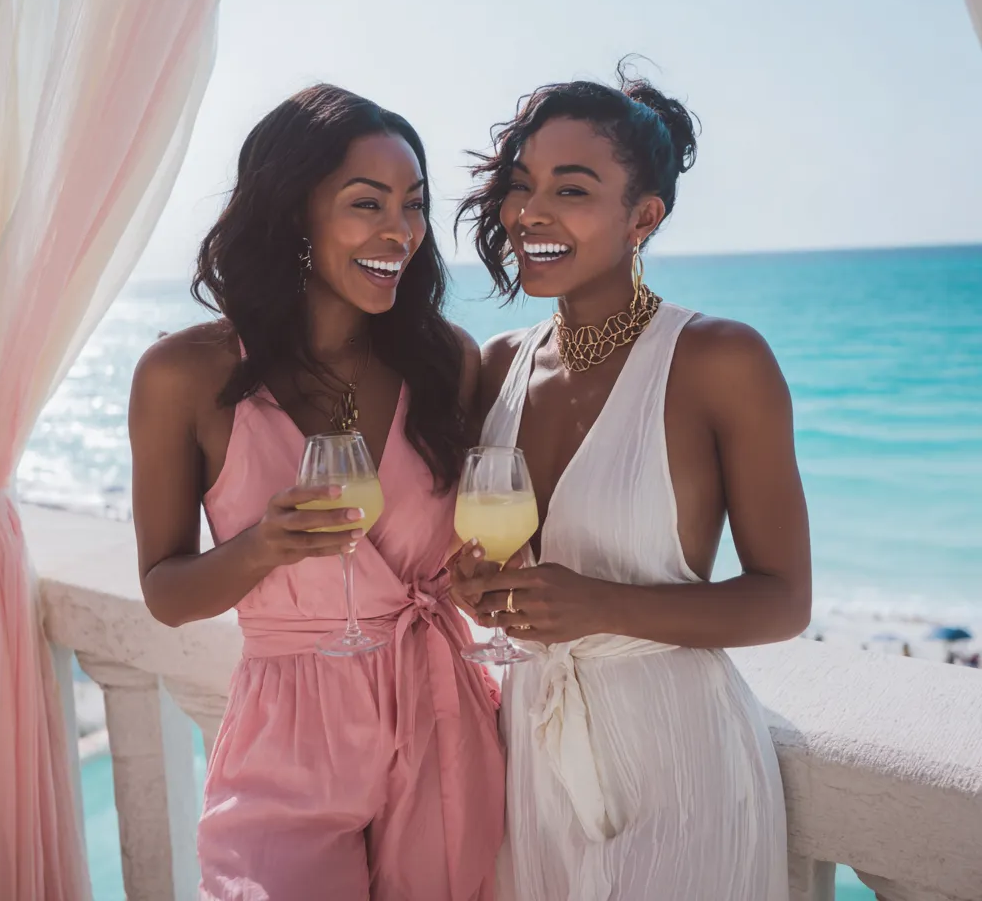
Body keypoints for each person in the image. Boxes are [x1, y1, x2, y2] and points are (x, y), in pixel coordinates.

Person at [129, 85, 504, 901]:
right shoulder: (183, 375)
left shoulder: (448, 362)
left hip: (442, 724)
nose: (399, 232)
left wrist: (481, 586)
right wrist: (264, 546)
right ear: (294, 211)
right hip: (288, 744)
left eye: (413, 205)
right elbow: (166, 592)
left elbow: (477, 559)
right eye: (365, 203)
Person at [451, 65, 811, 901]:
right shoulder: (498, 366)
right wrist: (477, 589)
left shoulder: (721, 360)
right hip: (532, 751)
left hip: (676, 758)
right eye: (520, 186)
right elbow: (500, 570)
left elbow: (783, 599)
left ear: (642, 216)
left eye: (570, 190)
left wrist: (600, 606)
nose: (529, 213)